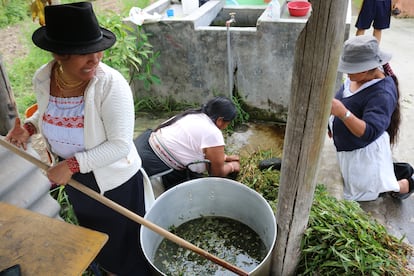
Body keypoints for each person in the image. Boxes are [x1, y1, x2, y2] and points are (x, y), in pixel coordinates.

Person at [5, 2, 151, 275]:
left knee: (124, 240)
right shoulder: (43, 78)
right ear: (60, 55)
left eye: (97, 49)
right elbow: (48, 113)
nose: (95, 58)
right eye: (84, 53)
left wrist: (70, 165)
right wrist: (29, 127)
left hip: (113, 182)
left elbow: (119, 145)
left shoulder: (110, 85)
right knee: (95, 233)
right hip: (75, 178)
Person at [329, 35, 414, 201]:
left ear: (367, 68)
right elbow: (344, 98)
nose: (347, 72)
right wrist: (331, 125)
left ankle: (406, 184)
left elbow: (369, 132)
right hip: (349, 149)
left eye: (351, 69)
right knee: (359, 185)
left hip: (365, 153)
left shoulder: (382, 93)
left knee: (368, 192)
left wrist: (343, 114)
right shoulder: (356, 77)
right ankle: (391, 173)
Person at [135, 96, 241, 191]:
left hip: (142, 148)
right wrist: (232, 166)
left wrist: (225, 157)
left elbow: (190, 147)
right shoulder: (213, 133)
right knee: (203, 192)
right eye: (228, 123)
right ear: (220, 120)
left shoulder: (193, 114)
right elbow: (217, 173)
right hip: (156, 168)